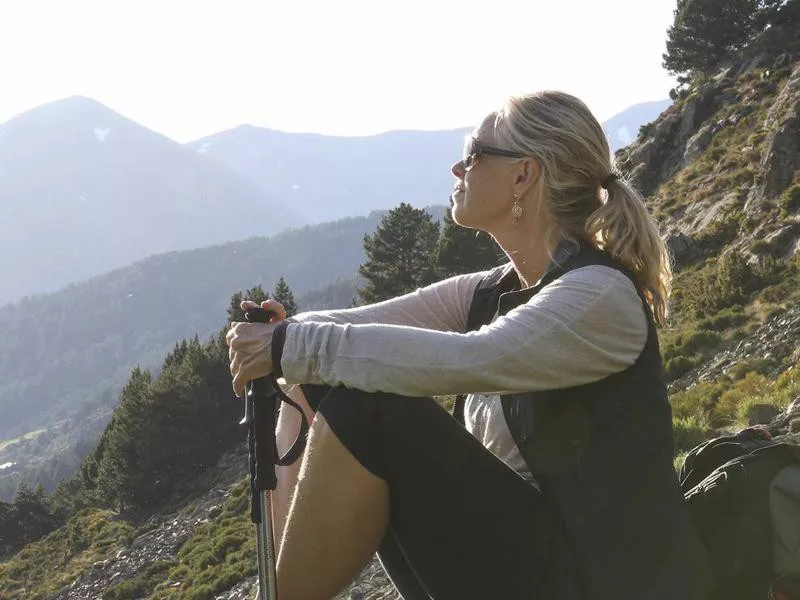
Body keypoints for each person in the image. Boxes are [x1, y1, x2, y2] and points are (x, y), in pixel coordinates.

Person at [226, 91, 714, 600]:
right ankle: (279, 589)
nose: (459, 167)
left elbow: (472, 358)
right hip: (538, 568)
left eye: (475, 152)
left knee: (367, 412)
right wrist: (285, 333)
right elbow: (350, 331)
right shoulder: (492, 289)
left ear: (523, 175)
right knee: (321, 378)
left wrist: (289, 345)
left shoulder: (598, 295)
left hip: (606, 583)